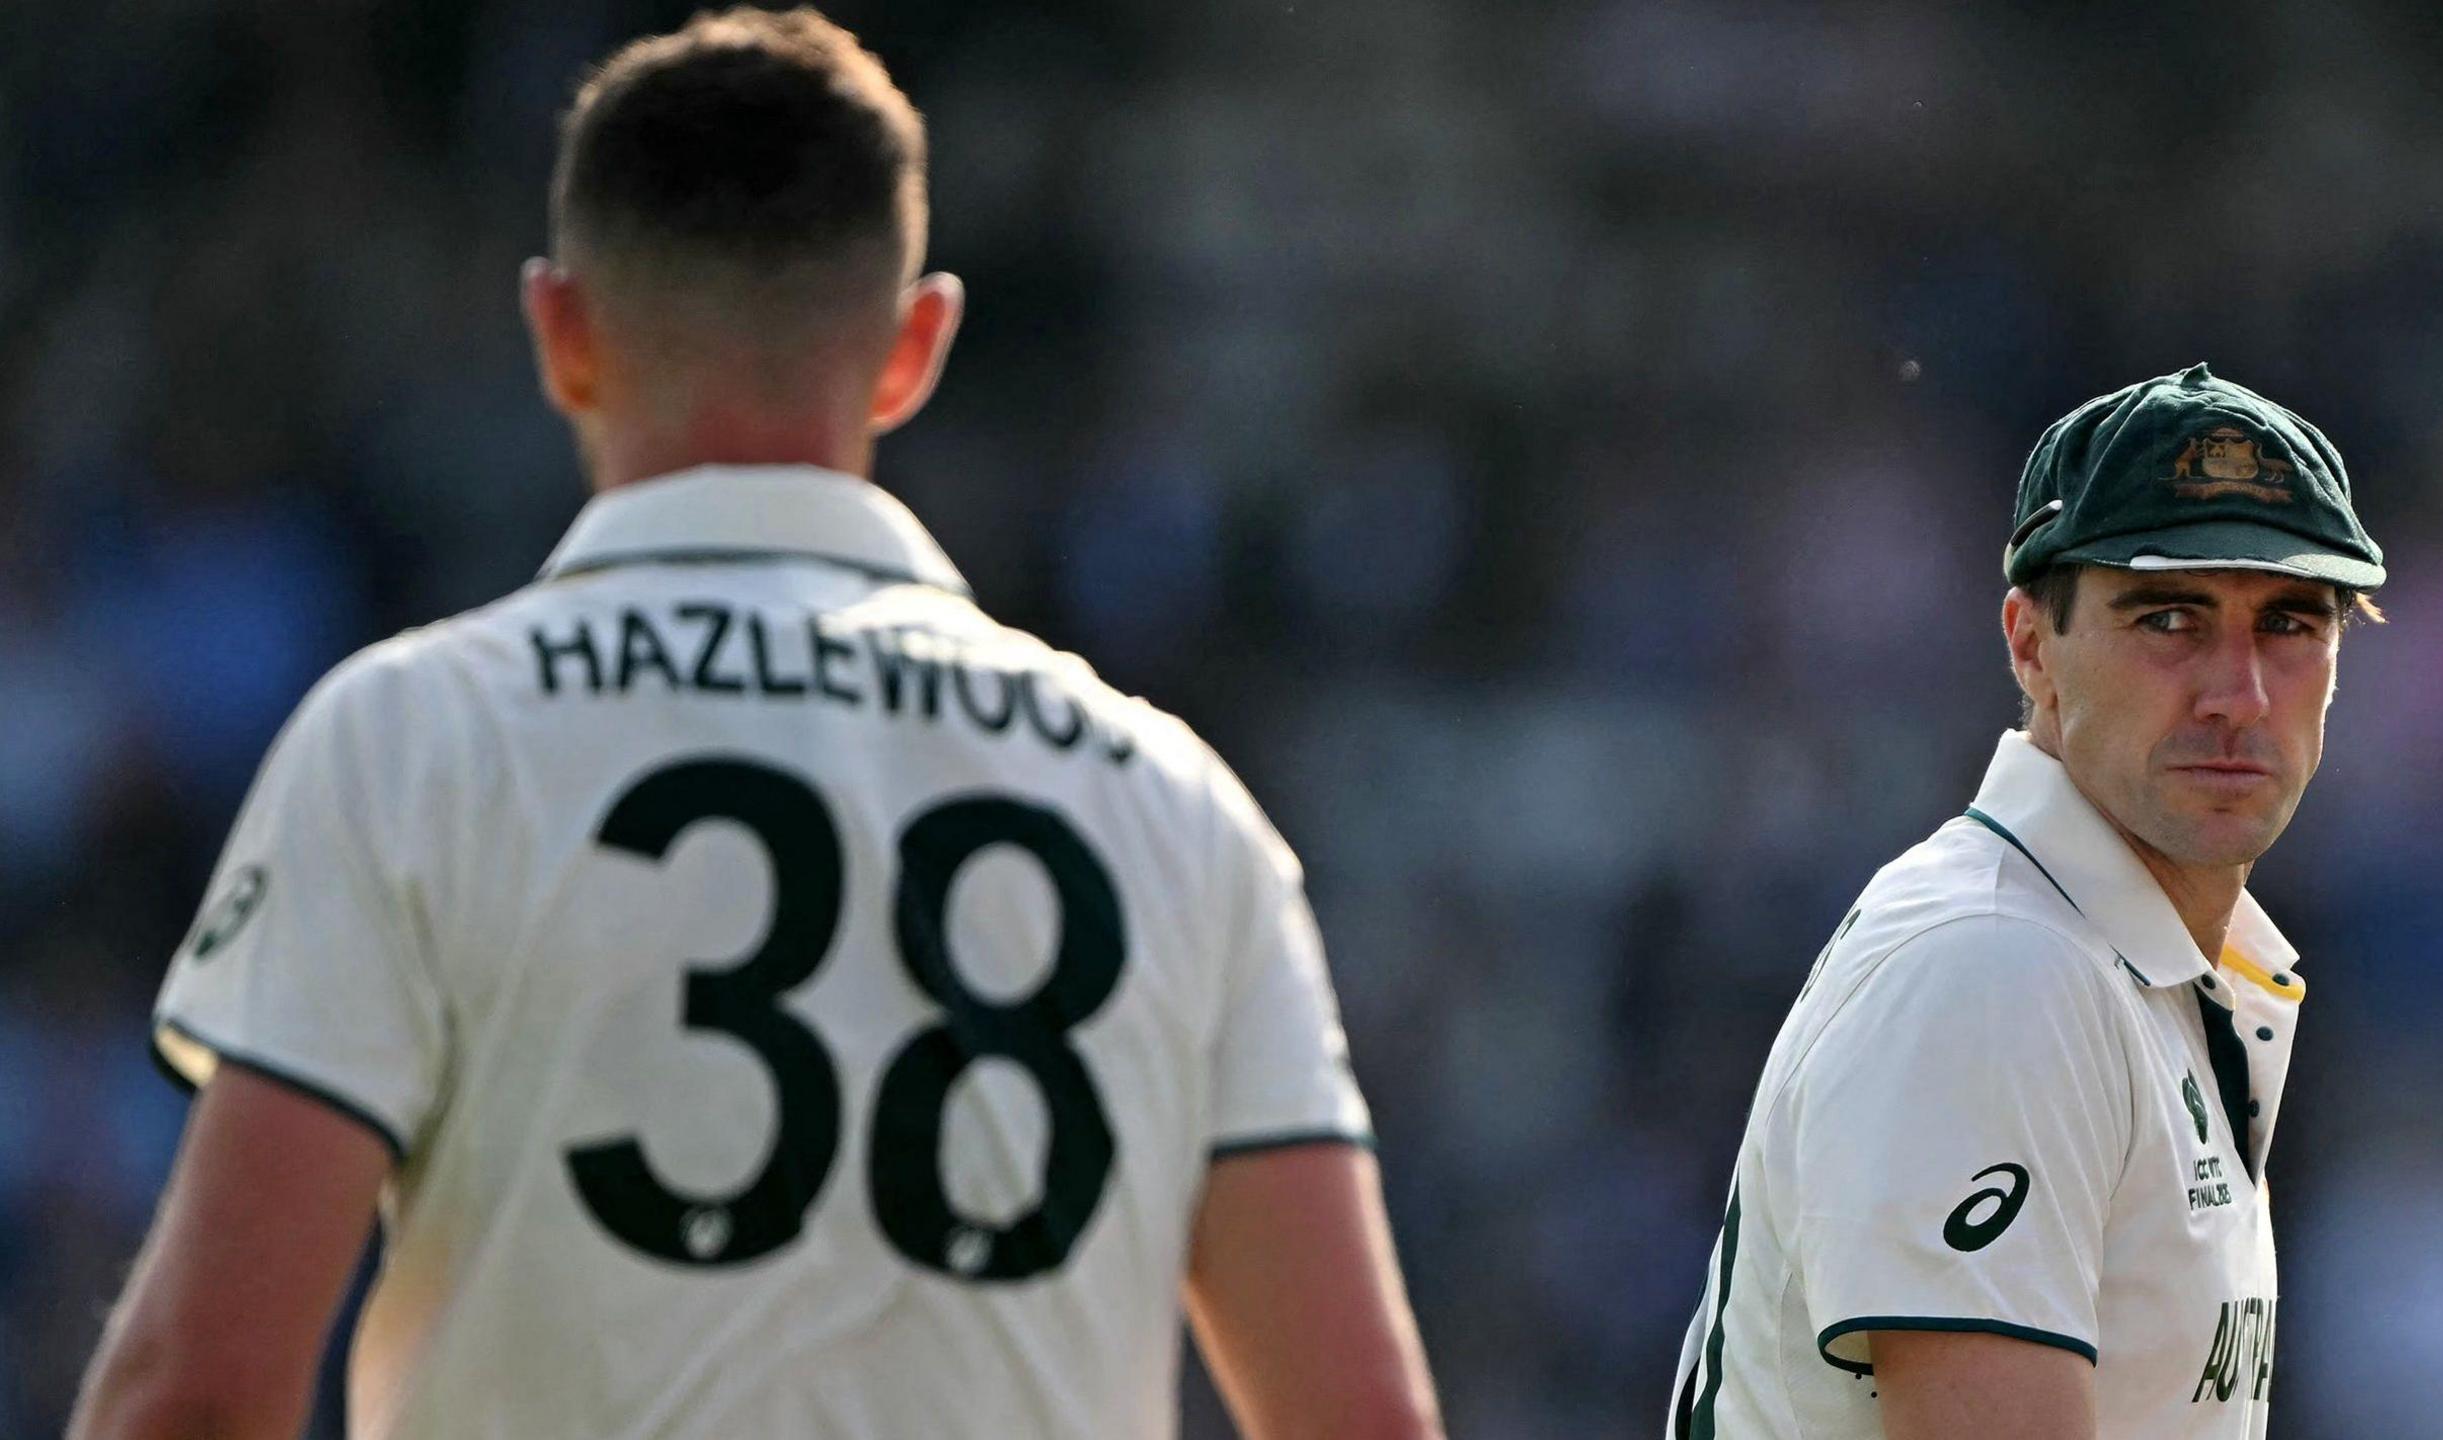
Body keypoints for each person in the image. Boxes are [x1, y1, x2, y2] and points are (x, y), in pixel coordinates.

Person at [70, 10, 1442, 1439]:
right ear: (915, 349)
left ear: (560, 334)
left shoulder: (417, 739)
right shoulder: (1180, 807)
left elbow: (198, 1392)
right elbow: (1360, 1420)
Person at [1663, 363, 2386, 1439]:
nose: (2238, 692)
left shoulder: (2135, 962)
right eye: (2169, 617)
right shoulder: (1999, 965)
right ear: (2029, 643)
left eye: (2288, 623)